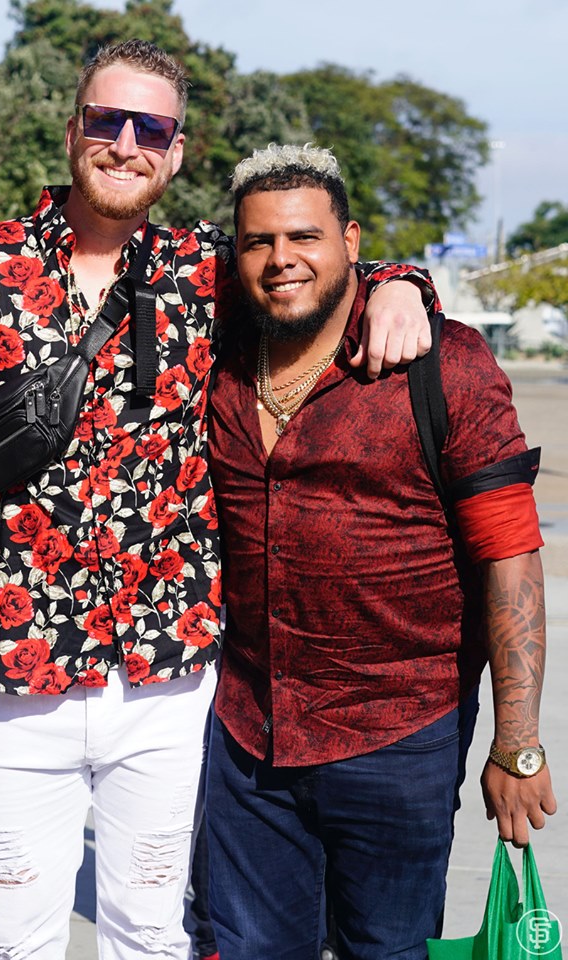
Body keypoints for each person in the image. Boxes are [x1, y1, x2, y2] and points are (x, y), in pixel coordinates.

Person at [0, 42, 434, 960]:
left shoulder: (206, 270)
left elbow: (313, 268)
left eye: (152, 128)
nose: (126, 143)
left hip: (169, 683)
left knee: (152, 935)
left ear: (175, 153)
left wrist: (399, 285)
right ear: (74, 133)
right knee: (16, 940)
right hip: (20, 681)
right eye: (107, 121)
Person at [205, 142, 557, 960]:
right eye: (259, 241)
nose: (281, 258)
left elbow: (512, 555)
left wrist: (518, 741)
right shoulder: (220, 354)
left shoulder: (449, 364)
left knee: (388, 951)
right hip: (249, 733)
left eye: (305, 237)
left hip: (400, 736)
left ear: (352, 241)